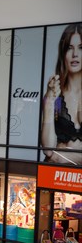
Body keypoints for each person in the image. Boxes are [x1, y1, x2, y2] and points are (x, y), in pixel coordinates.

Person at [41, 23, 82, 165]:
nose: (75, 54)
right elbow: (48, 150)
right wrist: (49, 103)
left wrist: (61, 155)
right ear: (63, 53)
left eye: (81, 47)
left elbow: (55, 154)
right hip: (56, 175)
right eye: (70, 48)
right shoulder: (56, 96)